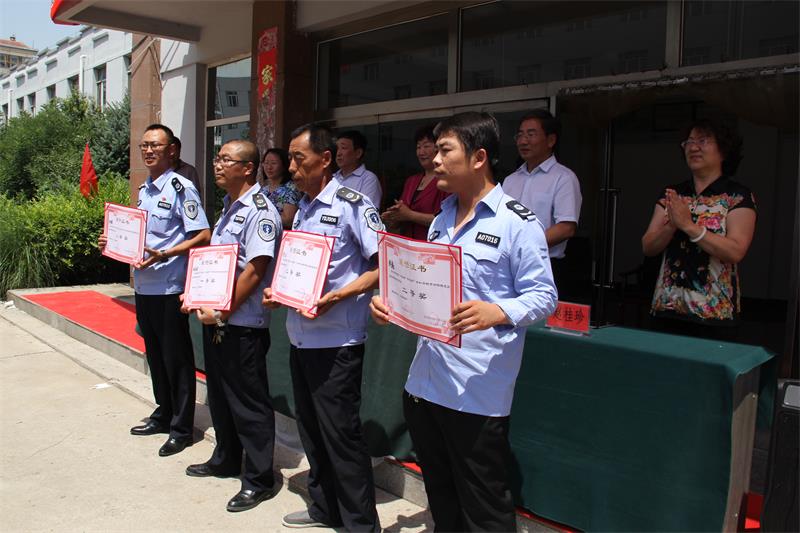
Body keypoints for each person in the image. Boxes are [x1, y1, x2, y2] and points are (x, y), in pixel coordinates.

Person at [370, 112, 557, 532]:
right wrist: (390, 303)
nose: (434, 160)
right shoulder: (441, 219)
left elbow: (544, 296)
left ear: (478, 158)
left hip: (476, 390)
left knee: (484, 505)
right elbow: (425, 288)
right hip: (425, 383)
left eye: (444, 150)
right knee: (442, 496)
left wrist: (498, 311)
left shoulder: (517, 223)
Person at [262, 123, 382, 531]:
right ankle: (323, 508)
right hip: (301, 337)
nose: (292, 167)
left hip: (337, 342)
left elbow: (385, 265)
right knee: (312, 432)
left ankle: (360, 524)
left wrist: (338, 296)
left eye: (299, 159)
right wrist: (279, 292)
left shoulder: (354, 205)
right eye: (290, 159)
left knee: (341, 438)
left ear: (325, 159)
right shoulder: (302, 207)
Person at [98, 123, 210, 456]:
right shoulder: (145, 189)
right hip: (145, 285)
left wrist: (166, 253)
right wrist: (112, 242)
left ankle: (182, 427)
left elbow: (202, 235)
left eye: (155, 145)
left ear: (171, 150)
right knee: (156, 356)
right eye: (144, 145)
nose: (148, 150)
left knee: (176, 358)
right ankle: (163, 412)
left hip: (169, 286)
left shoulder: (181, 187)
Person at [183, 140, 282, 512]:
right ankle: (225, 458)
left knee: (248, 402)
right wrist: (197, 294)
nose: (217, 164)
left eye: (226, 159)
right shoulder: (228, 207)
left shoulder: (261, 211)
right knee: (221, 395)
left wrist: (222, 311)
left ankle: (259, 479)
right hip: (216, 318)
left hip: (241, 323)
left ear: (248, 167)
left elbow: (255, 270)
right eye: (217, 158)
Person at [642, 118, 756, 339]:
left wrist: (688, 225)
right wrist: (672, 225)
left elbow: (735, 251)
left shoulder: (737, 196)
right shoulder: (673, 194)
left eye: (702, 141)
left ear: (724, 149)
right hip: (667, 310)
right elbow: (648, 246)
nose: (693, 147)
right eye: (689, 142)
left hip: (715, 316)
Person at [502, 109, 582, 285]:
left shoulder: (564, 178)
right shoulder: (510, 180)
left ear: (551, 140)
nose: (523, 141)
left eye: (531, 135)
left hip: (544, 265)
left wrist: (523, 247)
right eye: (520, 135)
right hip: (507, 265)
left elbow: (566, 227)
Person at [381, 124, 448, 240]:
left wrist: (410, 215)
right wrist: (394, 217)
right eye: (418, 147)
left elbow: (448, 220)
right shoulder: (411, 181)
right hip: (407, 245)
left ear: (438, 148)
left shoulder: (447, 181)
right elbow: (403, 215)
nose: (421, 152)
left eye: (426, 146)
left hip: (431, 245)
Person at [333, 130, 382, 208]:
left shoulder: (368, 179)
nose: (338, 153)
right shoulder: (332, 178)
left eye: (343, 148)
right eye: (337, 148)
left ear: (358, 153)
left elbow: (367, 211)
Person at [260, 147, 300, 228]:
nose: (269, 167)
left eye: (273, 163)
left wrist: (260, 218)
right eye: (266, 163)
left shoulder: (291, 189)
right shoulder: (263, 190)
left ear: (284, 165)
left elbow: (288, 220)